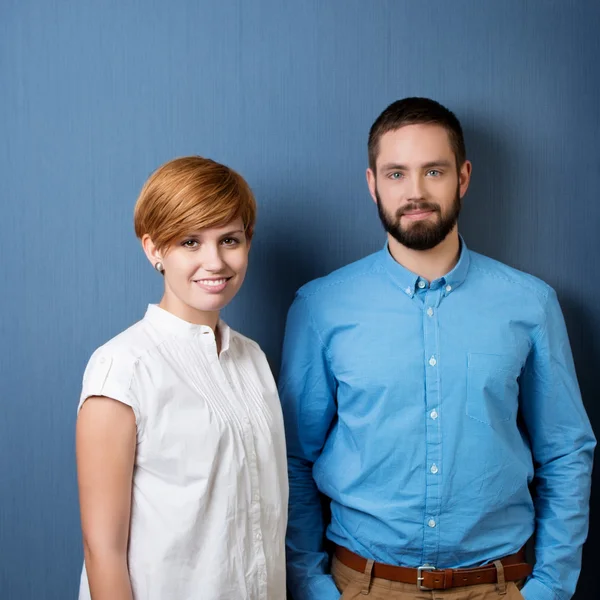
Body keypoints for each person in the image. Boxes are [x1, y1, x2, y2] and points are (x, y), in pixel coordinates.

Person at [279, 98, 595, 600]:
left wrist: (550, 588)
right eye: (396, 174)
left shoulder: (531, 304)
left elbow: (566, 451)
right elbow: (293, 458)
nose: (416, 192)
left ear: (463, 178)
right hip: (361, 586)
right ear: (372, 184)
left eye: (434, 171)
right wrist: (314, 586)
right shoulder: (321, 308)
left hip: (497, 586)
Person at [76, 156, 287, 600]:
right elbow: (103, 551)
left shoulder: (253, 360)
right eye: (190, 242)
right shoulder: (123, 368)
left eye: (229, 239)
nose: (215, 261)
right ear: (154, 249)